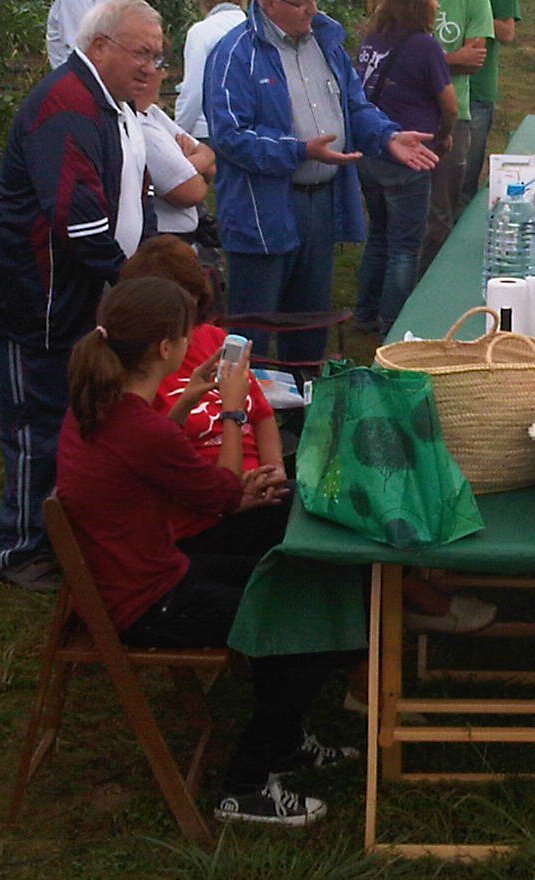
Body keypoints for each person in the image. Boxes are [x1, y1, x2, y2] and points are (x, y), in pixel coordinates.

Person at [56, 276, 354, 827]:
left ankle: (283, 739)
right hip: (148, 601)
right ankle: (244, 787)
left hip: (142, 573)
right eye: (186, 332)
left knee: (291, 575)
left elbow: (153, 454)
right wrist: (233, 411)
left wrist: (191, 398)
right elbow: (221, 495)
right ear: (165, 347)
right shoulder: (139, 428)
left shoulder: (99, 406)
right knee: (305, 621)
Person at [0, 0, 163, 591]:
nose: (150, 67)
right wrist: (135, 285)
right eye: (141, 53)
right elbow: (79, 221)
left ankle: (64, 533)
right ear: (99, 46)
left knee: (70, 414)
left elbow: (134, 193)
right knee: (34, 422)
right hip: (27, 293)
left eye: (157, 56)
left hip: (67, 290)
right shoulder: (66, 103)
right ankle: (18, 550)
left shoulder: (110, 103)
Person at [203, 0, 438, 366]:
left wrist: (387, 136)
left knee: (309, 322)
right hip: (262, 210)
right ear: (269, 3)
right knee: (253, 328)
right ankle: (245, 402)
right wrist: (298, 151)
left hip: (321, 204)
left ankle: (303, 396)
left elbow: (354, 106)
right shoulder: (235, 55)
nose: (313, 9)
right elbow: (230, 136)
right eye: (302, 2)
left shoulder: (324, 43)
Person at [118, 235, 288, 552]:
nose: (191, 327)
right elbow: (201, 489)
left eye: (194, 309)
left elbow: (263, 414)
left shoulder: (213, 341)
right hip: (208, 518)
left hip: (249, 491)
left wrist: (273, 469)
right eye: (182, 315)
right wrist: (232, 412)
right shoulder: (140, 382)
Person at [353, 0, 455, 335]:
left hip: (370, 150)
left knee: (378, 234)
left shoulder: (372, 40)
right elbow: (449, 103)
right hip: (408, 154)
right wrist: (444, 135)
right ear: (419, 3)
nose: (436, 4)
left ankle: (364, 312)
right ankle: (393, 324)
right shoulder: (425, 46)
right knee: (405, 246)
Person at [417, 0, 493, 270]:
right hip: (407, 116)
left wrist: (422, 65)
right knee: (405, 211)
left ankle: (430, 281)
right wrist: (450, 59)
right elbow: (394, 57)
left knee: (442, 213)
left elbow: (473, 60)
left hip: (454, 116)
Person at [455, 0, 519, 208]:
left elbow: (507, 32)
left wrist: (474, 15)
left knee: (466, 177)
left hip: (478, 89)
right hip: (437, 85)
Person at [130, 60, 212, 241]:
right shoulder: (141, 128)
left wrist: (184, 165)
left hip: (184, 236)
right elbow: (191, 192)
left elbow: (211, 161)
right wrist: (194, 164)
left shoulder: (152, 112)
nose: (164, 75)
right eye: (160, 67)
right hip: (162, 238)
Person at [176, 0, 248, 140]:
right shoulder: (253, 29)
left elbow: (194, 91)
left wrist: (178, 131)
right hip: (248, 131)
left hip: (209, 131)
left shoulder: (201, 32)